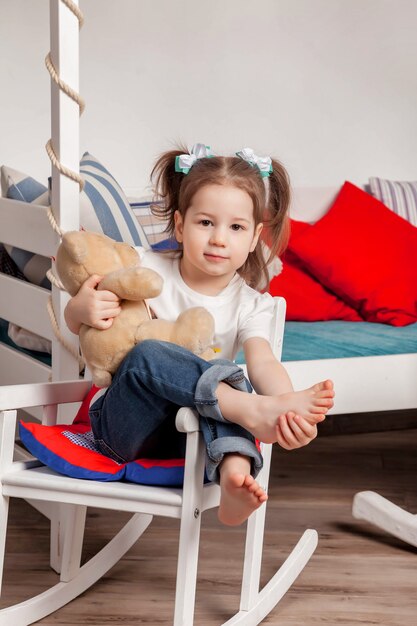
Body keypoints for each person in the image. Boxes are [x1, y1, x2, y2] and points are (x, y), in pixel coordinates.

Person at [64, 144, 334, 526]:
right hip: (124, 426)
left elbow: (263, 362)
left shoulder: (251, 304)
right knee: (152, 354)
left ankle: (233, 480)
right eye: (206, 223)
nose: (219, 238)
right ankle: (248, 412)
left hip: (191, 439)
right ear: (179, 225)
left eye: (236, 227)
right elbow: (76, 321)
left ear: (256, 236)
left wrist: (286, 406)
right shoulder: (142, 266)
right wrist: (80, 310)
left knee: (227, 379)